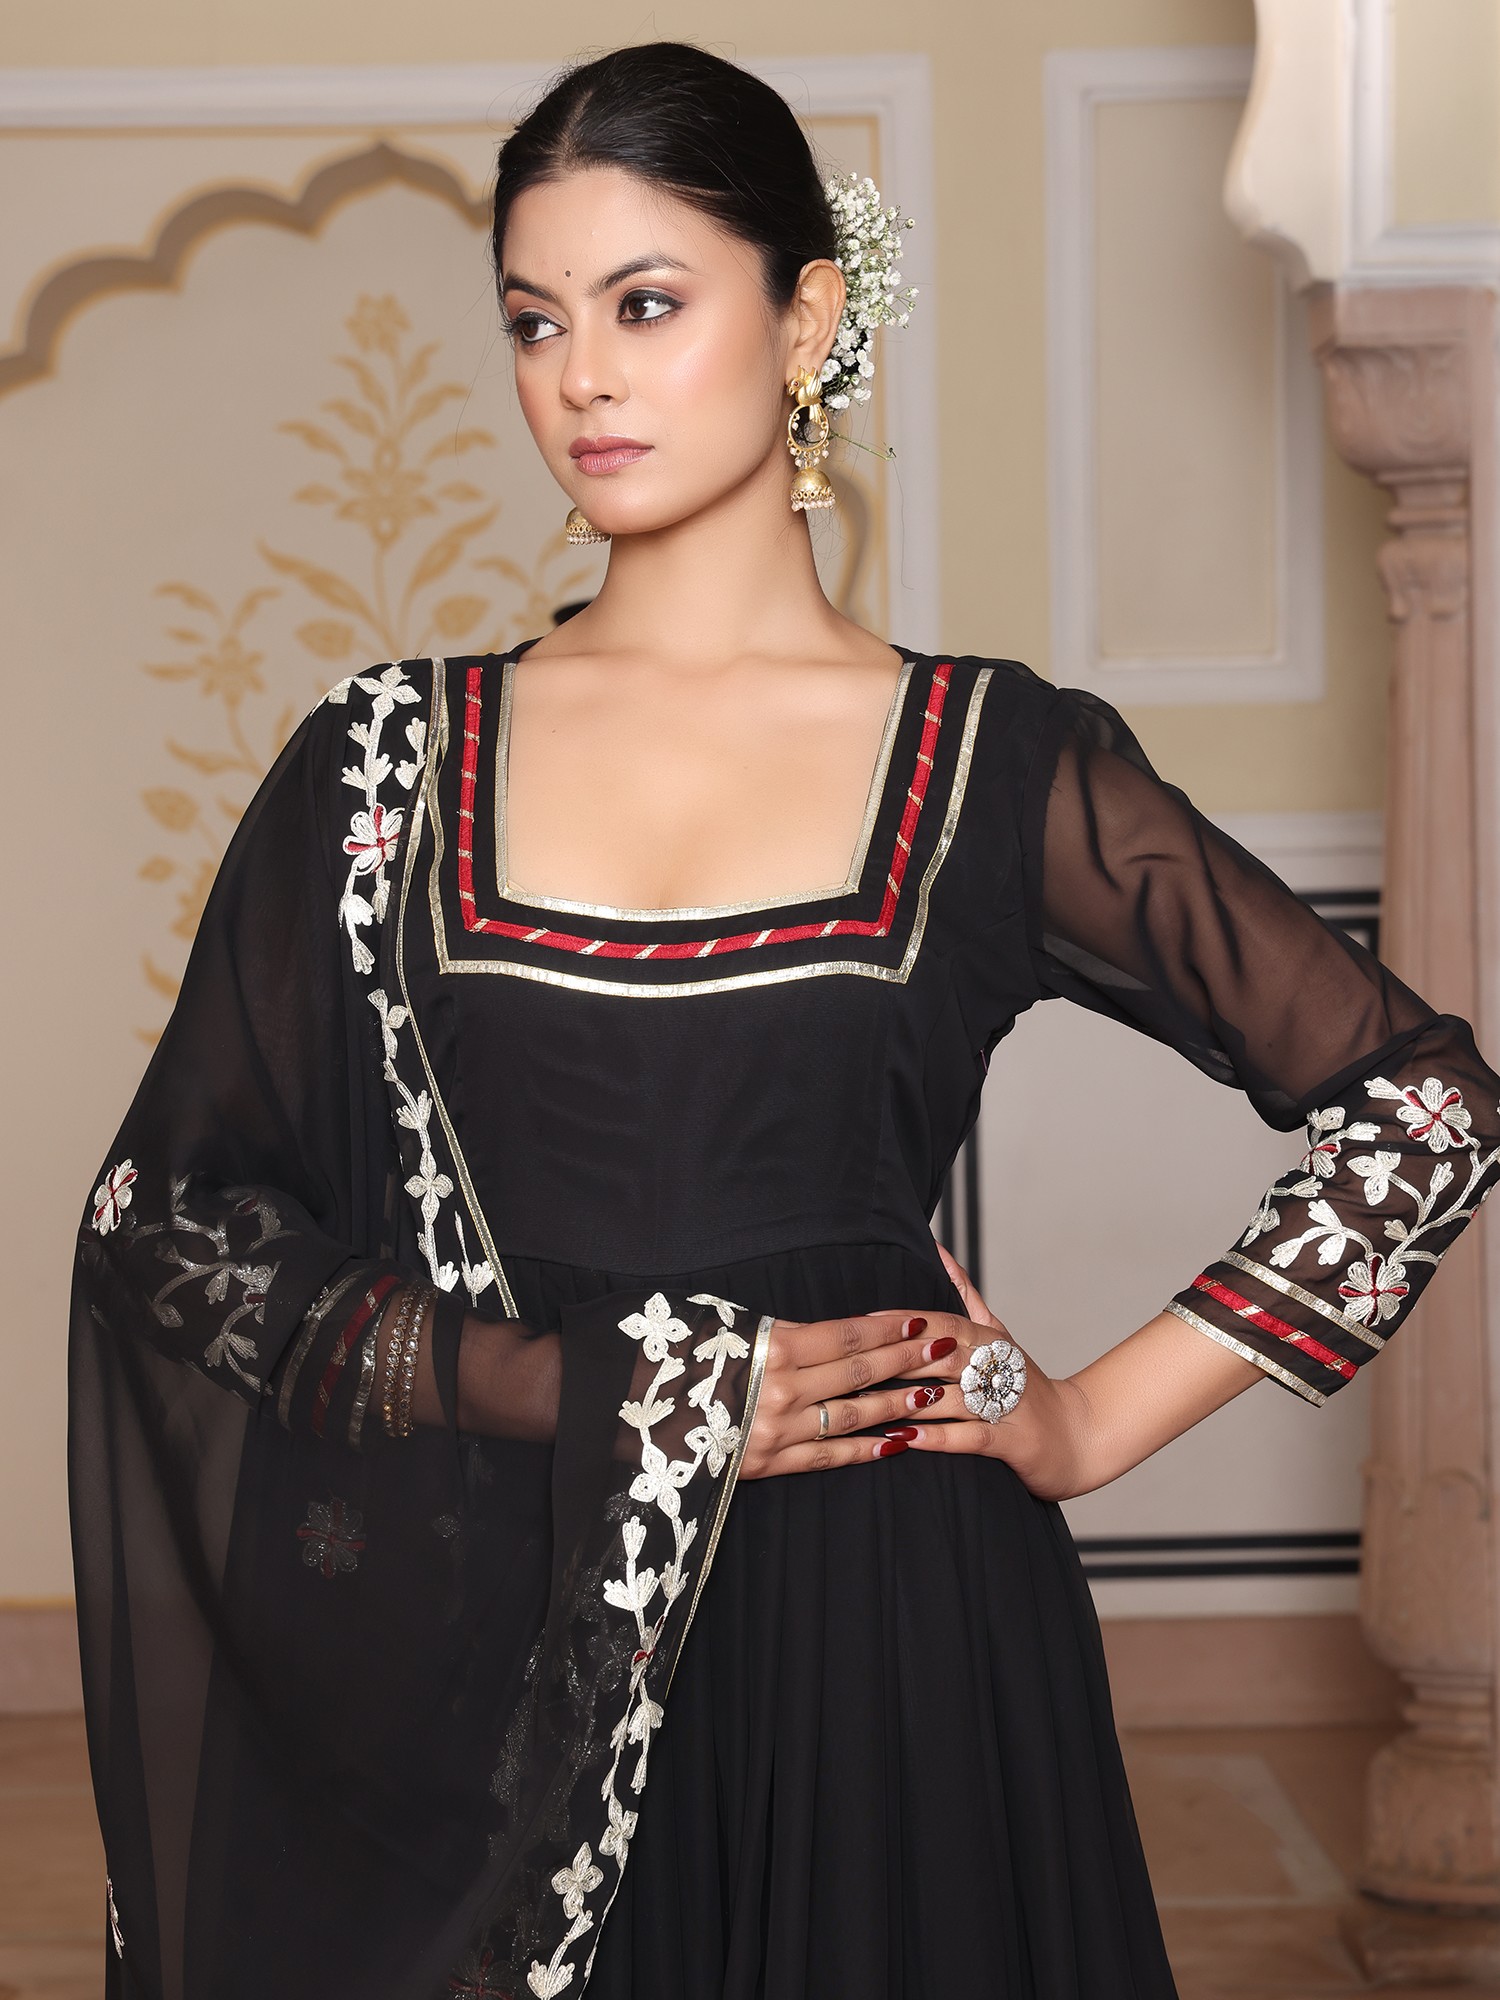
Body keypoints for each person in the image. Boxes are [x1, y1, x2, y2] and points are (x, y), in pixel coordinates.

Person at [68, 40, 1500, 2000]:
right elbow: (166, 1230)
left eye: (647, 304)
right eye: (536, 320)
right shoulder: (384, 769)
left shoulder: (987, 761)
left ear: (806, 316)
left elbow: (1424, 1107)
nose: (582, 377)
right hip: (517, 1635)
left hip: (892, 1636)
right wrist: (578, 1387)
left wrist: (1094, 1418)